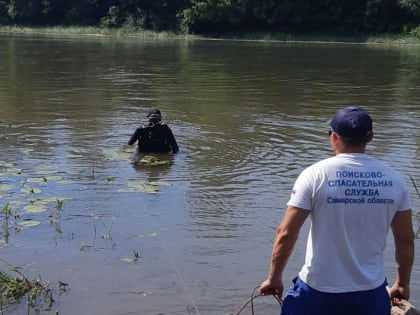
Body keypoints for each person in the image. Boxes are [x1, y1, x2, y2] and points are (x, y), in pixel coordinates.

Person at [259, 107, 414, 315]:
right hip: (370, 292)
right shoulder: (395, 180)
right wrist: (402, 283)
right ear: (370, 138)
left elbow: (286, 233)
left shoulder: (315, 175)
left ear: (333, 137)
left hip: (317, 291)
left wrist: (274, 278)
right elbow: (405, 240)